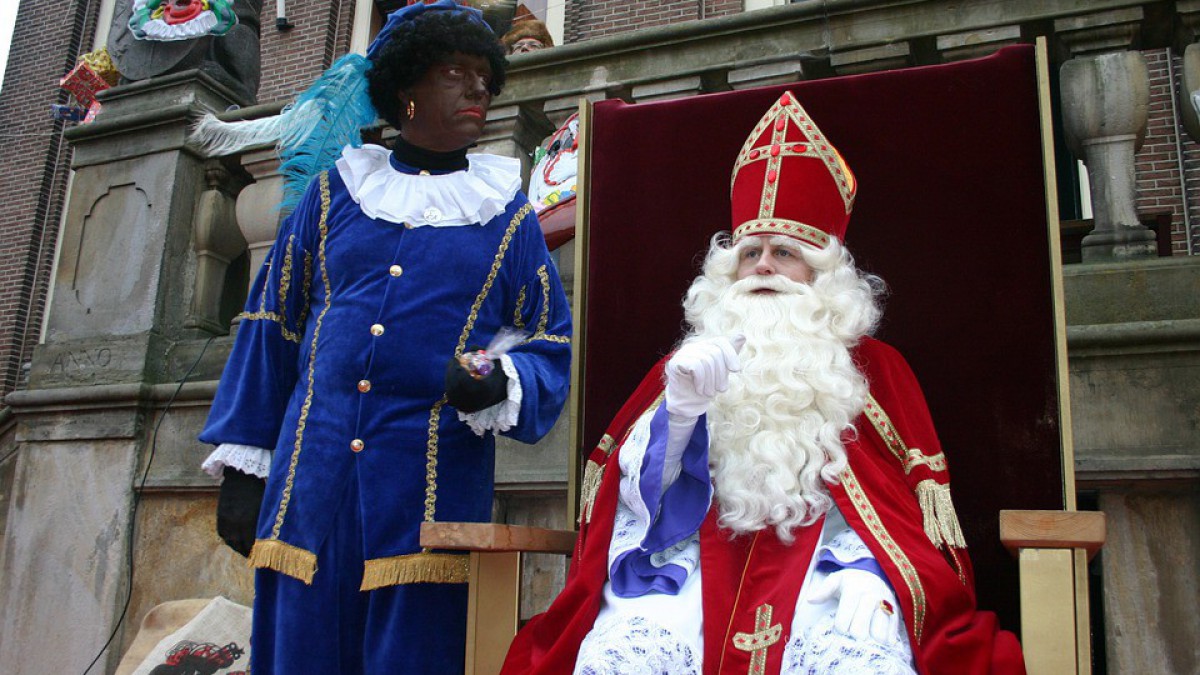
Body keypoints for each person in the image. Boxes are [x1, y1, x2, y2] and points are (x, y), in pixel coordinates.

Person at [501, 93, 1024, 674]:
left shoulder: (876, 370)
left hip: (829, 576)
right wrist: (678, 416)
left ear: (824, 273)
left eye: (784, 253)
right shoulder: (685, 364)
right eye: (750, 252)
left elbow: (898, 515)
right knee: (619, 659)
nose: (764, 267)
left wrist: (869, 577)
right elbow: (629, 509)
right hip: (687, 572)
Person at [197, 2, 572, 673]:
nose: (479, 88)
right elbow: (270, 326)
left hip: (429, 499)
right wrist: (244, 461)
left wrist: (501, 379)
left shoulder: (505, 214)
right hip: (309, 490)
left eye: (486, 76)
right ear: (407, 90)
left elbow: (550, 338)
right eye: (458, 72)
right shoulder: (332, 196)